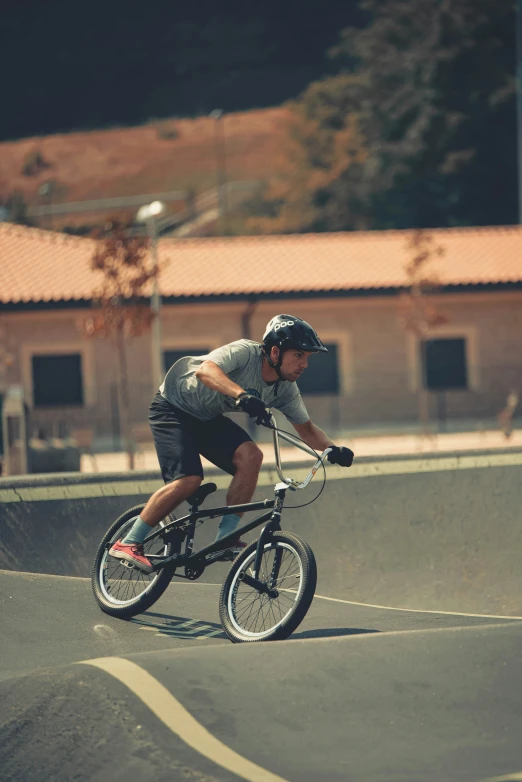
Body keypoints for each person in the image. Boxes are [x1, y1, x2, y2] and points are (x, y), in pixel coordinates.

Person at [109, 314, 354, 572]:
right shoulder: (244, 353)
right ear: (274, 351)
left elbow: (306, 429)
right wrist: (242, 395)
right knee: (189, 480)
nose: (304, 364)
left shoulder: (285, 390)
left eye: (307, 358)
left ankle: (224, 539)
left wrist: (332, 449)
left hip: (206, 417)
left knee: (251, 456)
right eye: (298, 355)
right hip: (173, 407)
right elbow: (205, 371)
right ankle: (128, 542)